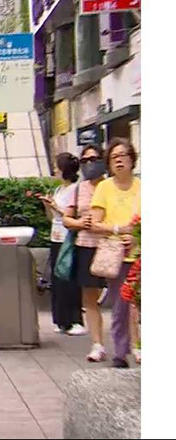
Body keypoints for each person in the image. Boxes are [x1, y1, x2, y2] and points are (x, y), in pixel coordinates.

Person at [90, 139, 141, 368]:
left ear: (132, 159)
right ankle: (121, 354)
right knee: (120, 306)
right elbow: (95, 224)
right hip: (117, 257)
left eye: (123, 155)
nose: (119, 160)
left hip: (141, 253)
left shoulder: (143, 187)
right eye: (114, 157)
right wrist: (120, 230)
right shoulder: (104, 188)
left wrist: (137, 236)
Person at [63, 144, 108, 363]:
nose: (90, 164)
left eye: (94, 159)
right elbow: (66, 219)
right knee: (90, 299)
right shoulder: (79, 189)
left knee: (126, 298)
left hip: (112, 248)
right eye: (85, 161)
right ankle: (97, 344)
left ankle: (132, 343)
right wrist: (80, 222)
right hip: (86, 247)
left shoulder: (111, 186)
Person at [40, 153, 85, 335]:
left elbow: (69, 215)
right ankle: (61, 320)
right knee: (57, 280)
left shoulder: (76, 189)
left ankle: (75, 320)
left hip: (68, 238)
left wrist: (55, 207)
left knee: (70, 279)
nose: (55, 170)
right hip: (56, 236)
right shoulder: (59, 190)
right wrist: (48, 205)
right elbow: (52, 218)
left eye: (57, 166)